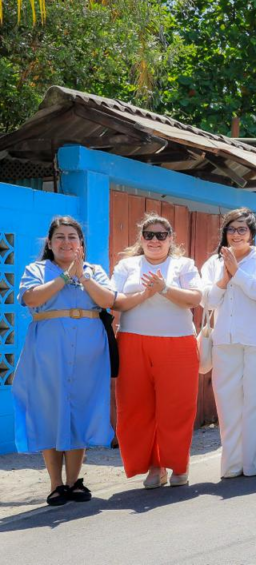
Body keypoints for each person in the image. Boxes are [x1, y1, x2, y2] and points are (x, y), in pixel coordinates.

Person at [14, 216, 115, 506]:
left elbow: (108, 300)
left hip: (88, 353)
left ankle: (74, 481)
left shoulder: (94, 271)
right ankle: (56, 484)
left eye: (72, 237)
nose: (66, 242)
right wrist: (63, 277)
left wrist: (81, 275)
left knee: (80, 409)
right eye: (60, 237)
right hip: (47, 351)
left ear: (81, 243)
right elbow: (31, 299)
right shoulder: (37, 269)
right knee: (49, 409)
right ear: (50, 242)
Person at [112, 214, 203, 488]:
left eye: (161, 235)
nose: (154, 240)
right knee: (136, 409)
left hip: (177, 343)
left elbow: (196, 298)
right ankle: (154, 466)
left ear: (171, 239)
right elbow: (115, 301)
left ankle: (178, 465)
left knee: (176, 408)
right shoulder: (127, 265)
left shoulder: (183, 265)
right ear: (141, 239)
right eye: (149, 235)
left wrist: (164, 288)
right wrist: (146, 294)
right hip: (132, 343)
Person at [201, 208, 256, 479]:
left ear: (252, 234)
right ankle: (232, 464)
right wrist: (225, 276)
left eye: (242, 230)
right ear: (225, 233)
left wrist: (237, 272)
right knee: (227, 405)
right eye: (231, 229)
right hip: (225, 340)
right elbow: (208, 301)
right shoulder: (213, 262)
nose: (236, 235)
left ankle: (254, 462)